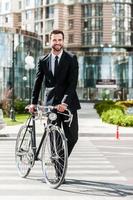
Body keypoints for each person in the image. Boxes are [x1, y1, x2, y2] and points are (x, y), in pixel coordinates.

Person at [29, 29, 81, 157]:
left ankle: (60, 159)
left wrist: (64, 102)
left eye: (59, 40)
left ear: (63, 41)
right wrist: (33, 103)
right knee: (54, 137)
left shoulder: (71, 58)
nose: (57, 42)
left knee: (73, 137)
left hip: (68, 104)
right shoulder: (43, 60)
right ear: (50, 41)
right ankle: (58, 168)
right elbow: (38, 82)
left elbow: (72, 84)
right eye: (54, 40)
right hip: (51, 104)